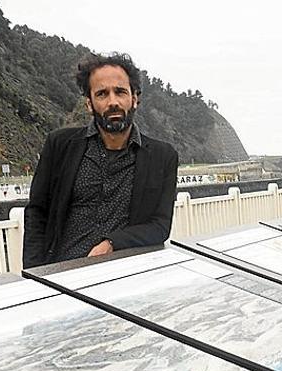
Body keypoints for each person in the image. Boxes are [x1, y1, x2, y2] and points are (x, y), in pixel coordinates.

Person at [23, 53, 179, 268]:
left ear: (135, 98)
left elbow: (159, 226)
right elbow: (37, 212)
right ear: (89, 103)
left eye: (120, 92)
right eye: (102, 94)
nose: (113, 102)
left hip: (126, 274)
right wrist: (35, 273)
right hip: (63, 275)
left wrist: (112, 243)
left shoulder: (162, 157)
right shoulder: (60, 145)